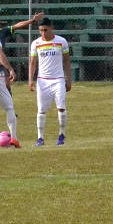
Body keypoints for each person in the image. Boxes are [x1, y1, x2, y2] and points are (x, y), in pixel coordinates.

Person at [28, 17, 71, 147]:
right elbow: (33, 63)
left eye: (45, 30)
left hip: (58, 80)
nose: (43, 33)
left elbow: (67, 61)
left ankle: (61, 135)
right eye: (41, 30)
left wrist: (68, 79)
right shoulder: (36, 43)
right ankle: (40, 138)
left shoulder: (61, 41)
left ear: (51, 28)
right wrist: (30, 79)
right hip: (42, 81)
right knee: (41, 110)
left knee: (61, 107)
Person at [0, 12, 44, 93]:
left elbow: (17, 25)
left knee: (7, 85)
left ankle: (8, 100)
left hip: (0, 64)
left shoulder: (2, 32)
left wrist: (33, 20)